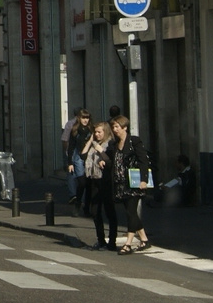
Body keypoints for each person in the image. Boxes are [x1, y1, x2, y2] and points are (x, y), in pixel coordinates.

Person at [111, 115, 152, 253]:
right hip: (120, 184)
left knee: (130, 212)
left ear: (124, 127)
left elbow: (143, 161)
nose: (114, 129)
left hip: (133, 183)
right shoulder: (115, 144)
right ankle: (144, 240)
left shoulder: (134, 141)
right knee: (131, 212)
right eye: (113, 127)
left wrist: (144, 179)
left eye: (117, 126)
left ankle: (128, 244)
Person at [83, 120, 117, 251]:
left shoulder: (111, 144)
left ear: (105, 132)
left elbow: (110, 162)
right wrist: (91, 141)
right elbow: (83, 155)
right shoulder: (94, 144)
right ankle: (101, 240)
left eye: (99, 132)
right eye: (95, 132)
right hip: (95, 180)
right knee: (95, 211)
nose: (97, 134)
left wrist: (101, 151)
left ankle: (112, 242)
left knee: (110, 211)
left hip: (106, 181)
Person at [64, 108, 92, 210]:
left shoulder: (91, 129)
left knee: (89, 183)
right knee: (82, 182)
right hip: (78, 158)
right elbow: (71, 146)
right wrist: (70, 163)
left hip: (90, 158)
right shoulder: (75, 130)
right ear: (79, 118)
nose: (85, 120)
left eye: (87, 118)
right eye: (83, 118)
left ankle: (86, 206)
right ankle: (78, 200)